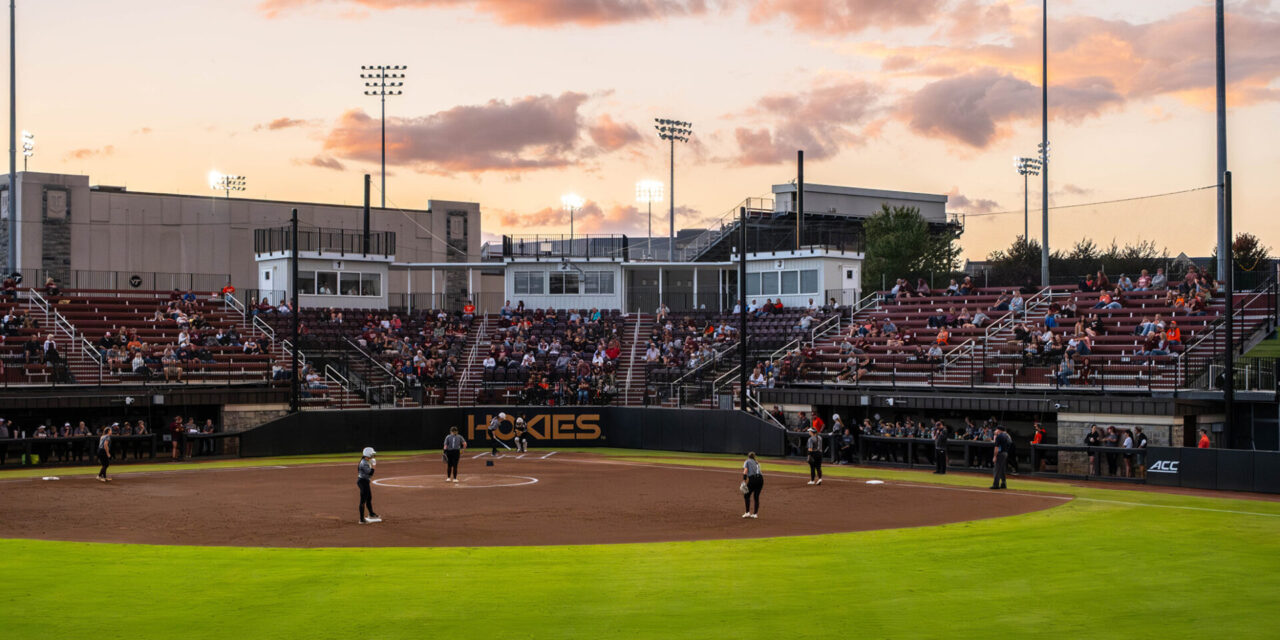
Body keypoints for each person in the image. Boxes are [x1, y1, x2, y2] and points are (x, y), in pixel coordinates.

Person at [356, 447, 381, 524]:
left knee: (369, 498)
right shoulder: (364, 463)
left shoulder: (366, 461)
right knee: (363, 501)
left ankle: (371, 514)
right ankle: (361, 519)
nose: (373, 455)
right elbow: (370, 473)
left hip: (365, 482)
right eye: (372, 454)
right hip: (363, 482)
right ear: (368, 454)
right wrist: (374, 466)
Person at [741, 451, 763, 519]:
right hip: (760, 479)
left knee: (746, 495)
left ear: (748, 456)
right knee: (756, 496)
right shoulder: (757, 462)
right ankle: (755, 514)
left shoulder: (747, 461)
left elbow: (745, 470)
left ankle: (747, 513)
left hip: (753, 479)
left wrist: (744, 480)